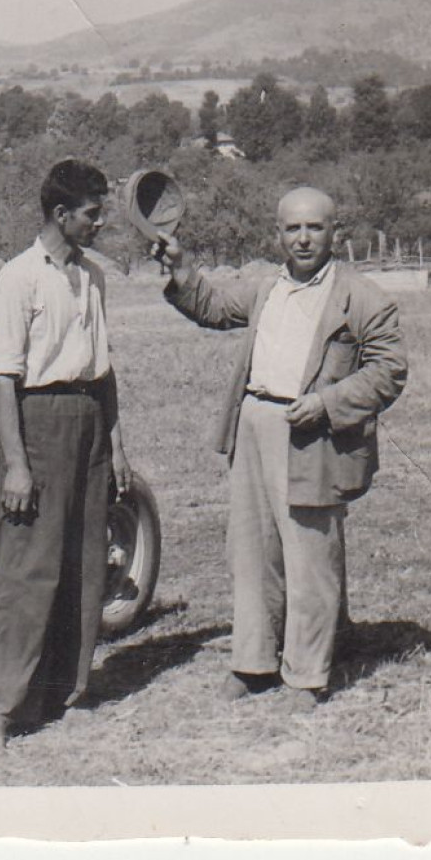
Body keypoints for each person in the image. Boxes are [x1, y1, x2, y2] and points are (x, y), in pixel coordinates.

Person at [158, 186, 407, 708]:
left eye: (314, 227)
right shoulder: (265, 288)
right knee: (251, 552)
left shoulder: (360, 296)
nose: (303, 238)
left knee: (310, 557)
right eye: (292, 228)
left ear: (334, 233)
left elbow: (388, 370)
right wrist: (181, 267)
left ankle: (307, 675)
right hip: (254, 425)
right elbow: (211, 306)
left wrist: (327, 403)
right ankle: (253, 664)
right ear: (278, 234)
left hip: (314, 432)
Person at [0, 158, 132, 750]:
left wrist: (116, 444)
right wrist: (16, 463)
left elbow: (105, 366)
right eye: (93, 214)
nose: (100, 224)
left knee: (84, 563)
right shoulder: (17, 278)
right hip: (37, 424)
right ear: (61, 215)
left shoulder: (94, 278)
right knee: (25, 570)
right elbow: (2, 380)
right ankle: (0, 710)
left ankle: (68, 693)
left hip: (90, 422)